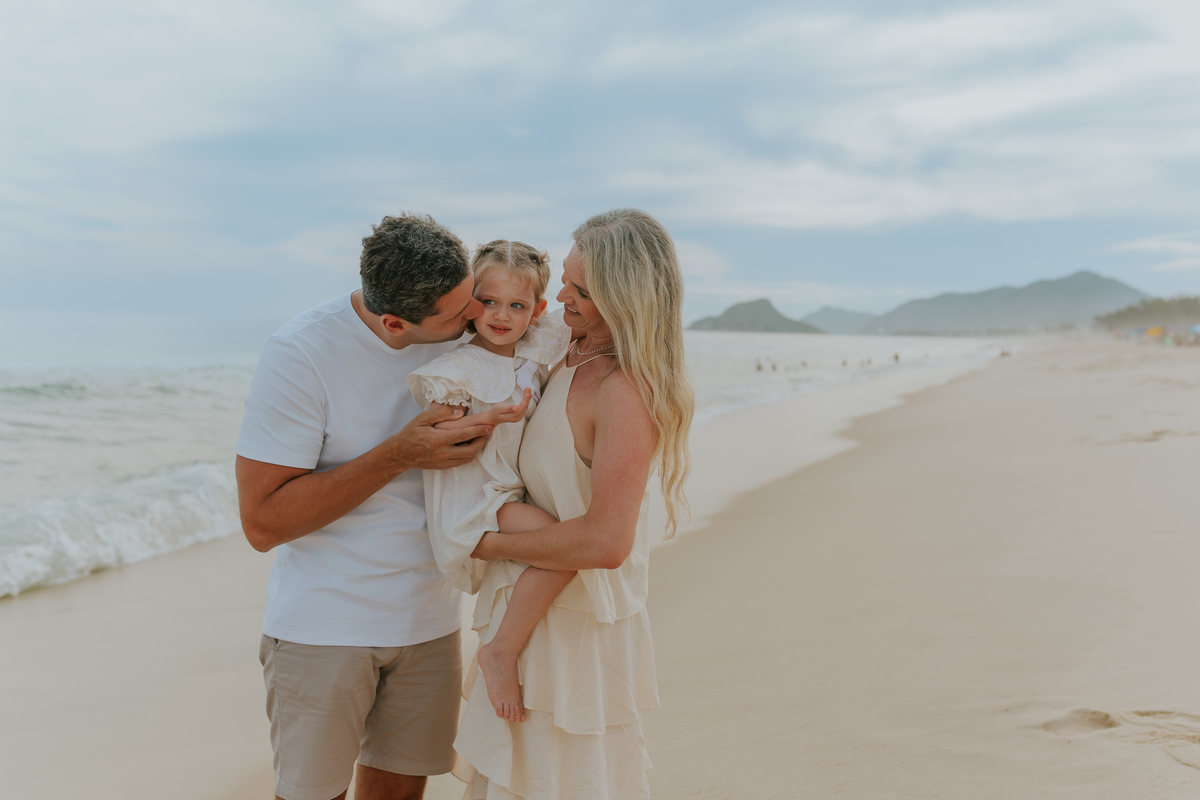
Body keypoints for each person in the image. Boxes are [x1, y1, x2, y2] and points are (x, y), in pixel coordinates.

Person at [235, 213, 518, 800]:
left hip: (430, 624)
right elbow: (262, 523)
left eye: (473, 297)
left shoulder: (468, 336)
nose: (476, 317)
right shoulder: (301, 353)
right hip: (325, 628)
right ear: (394, 323)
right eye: (459, 311)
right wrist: (398, 454)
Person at [454, 208, 695, 799]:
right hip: (527, 611)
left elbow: (606, 542)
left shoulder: (624, 391)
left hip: (575, 634)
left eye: (580, 289)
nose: (559, 294)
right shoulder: (563, 351)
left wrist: (485, 540)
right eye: (564, 277)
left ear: (624, 298)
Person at [407, 240, 574, 723]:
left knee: (565, 544)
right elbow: (434, 436)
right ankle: (499, 652)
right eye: (490, 301)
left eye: (517, 305)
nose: (502, 315)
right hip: (473, 496)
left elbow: (588, 316)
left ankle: (505, 645)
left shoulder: (536, 345)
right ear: (470, 303)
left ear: (537, 310)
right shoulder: (457, 371)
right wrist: (491, 418)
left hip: (506, 489)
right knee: (566, 546)